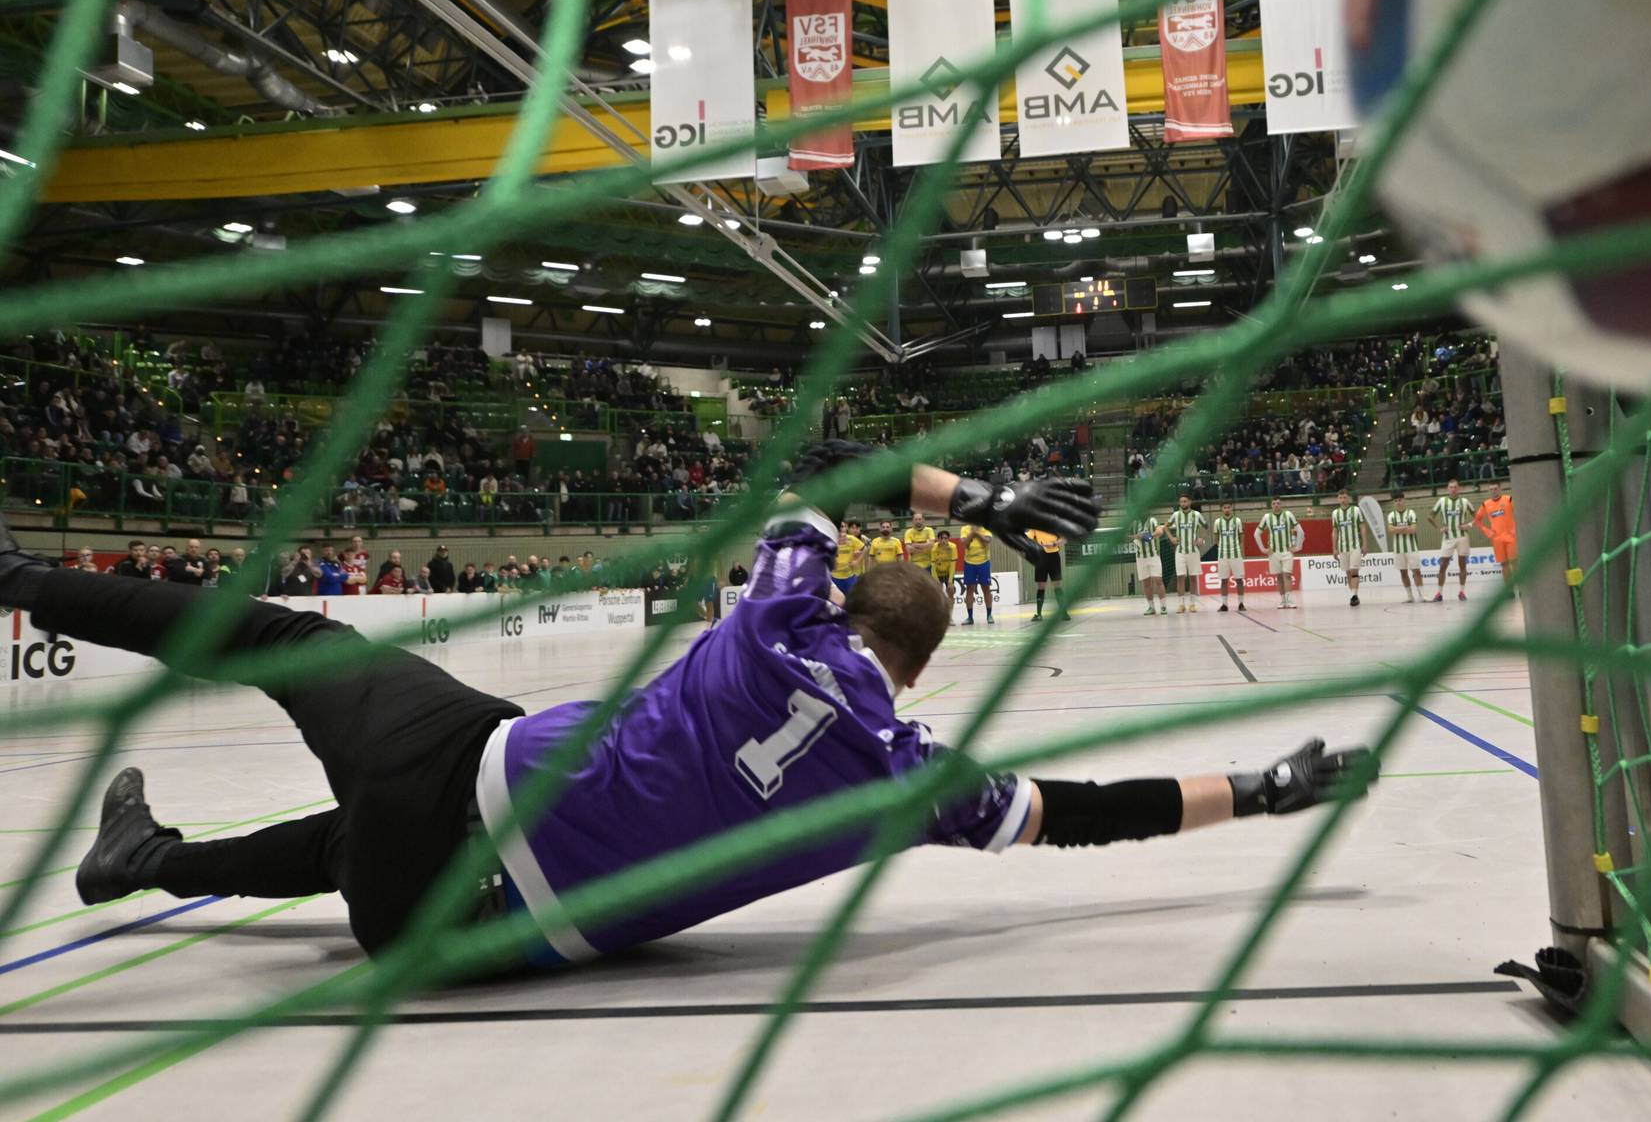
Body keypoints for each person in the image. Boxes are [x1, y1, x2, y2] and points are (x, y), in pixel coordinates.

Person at [12, 445, 1375, 970]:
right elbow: (1089, 814)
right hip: (453, 938)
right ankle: (154, 863)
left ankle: (20, 577)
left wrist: (978, 499)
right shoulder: (916, 776)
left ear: (844, 604)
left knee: (284, 637)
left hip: (459, 785)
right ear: (918, 671)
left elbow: (825, 461)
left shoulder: (781, 610)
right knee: (343, 847)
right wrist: (1255, 791)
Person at [1253, 498, 1303, 611]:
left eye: (1278, 503)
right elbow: (1256, 534)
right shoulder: (1267, 517)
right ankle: (1282, 600)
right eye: (1274, 503)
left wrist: (1298, 547)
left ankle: (1290, 600)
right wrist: (1263, 549)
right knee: (1279, 577)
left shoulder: (1288, 515)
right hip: (1273, 553)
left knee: (1287, 575)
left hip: (1287, 551)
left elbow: (1300, 531)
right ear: (1271, 505)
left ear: (1281, 504)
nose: (1276, 505)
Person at [1431, 478, 1472, 603]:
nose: (1453, 489)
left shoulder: (1465, 501)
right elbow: (1430, 516)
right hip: (1448, 538)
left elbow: (1478, 516)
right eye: (1451, 487)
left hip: (1462, 537)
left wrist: (1469, 525)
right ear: (1447, 489)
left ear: (1459, 488)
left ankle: (1462, 592)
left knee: (1462, 565)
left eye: (1455, 487)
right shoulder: (1442, 501)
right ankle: (1439, 593)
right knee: (1443, 565)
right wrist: (1439, 528)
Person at [1165, 494, 1206, 614]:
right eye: (1181, 502)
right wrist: (1171, 538)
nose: (1183, 503)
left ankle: (1192, 604)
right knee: (1180, 577)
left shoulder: (1196, 515)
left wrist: (1201, 539)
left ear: (1190, 502)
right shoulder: (1176, 515)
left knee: (1193, 578)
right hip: (1180, 551)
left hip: (1193, 551)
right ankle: (1181, 604)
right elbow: (1165, 527)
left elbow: (1206, 527)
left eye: (1185, 501)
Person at [1330, 489, 1366, 608]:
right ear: (1338, 499)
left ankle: (1354, 595)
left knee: (1354, 570)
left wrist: (1364, 544)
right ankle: (1353, 595)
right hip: (1342, 547)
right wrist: (1334, 548)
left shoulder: (1355, 510)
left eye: (1345, 497)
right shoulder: (1335, 513)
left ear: (1349, 498)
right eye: (1341, 497)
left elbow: (1362, 527)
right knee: (1348, 572)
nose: (1343, 499)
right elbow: (1335, 531)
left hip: (1355, 546)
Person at [958, 520, 995, 625]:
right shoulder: (964, 529)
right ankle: (970, 617)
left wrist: (977, 533)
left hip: (984, 562)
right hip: (969, 563)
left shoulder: (986, 528)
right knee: (969, 589)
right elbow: (965, 544)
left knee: (986, 588)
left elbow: (986, 542)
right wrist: (972, 533)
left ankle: (989, 615)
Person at [1474, 479, 1516, 574]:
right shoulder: (1485, 504)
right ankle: (1509, 588)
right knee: (1504, 565)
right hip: (1497, 539)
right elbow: (1477, 520)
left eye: (1495, 489)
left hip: (1510, 537)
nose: (1493, 491)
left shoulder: (1509, 499)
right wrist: (1486, 531)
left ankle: (1521, 587)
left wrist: (1515, 528)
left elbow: (1520, 513)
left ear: (1500, 489)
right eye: (1491, 489)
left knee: (1514, 562)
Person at [1387, 501, 1423, 604]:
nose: (1398, 502)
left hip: (1412, 547)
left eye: (1400, 500)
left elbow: (1413, 530)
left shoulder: (1411, 513)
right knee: (1403, 572)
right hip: (1398, 549)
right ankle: (1410, 596)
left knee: (1416, 571)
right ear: (1394, 502)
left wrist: (1396, 529)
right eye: (1396, 500)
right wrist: (1404, 528)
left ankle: (1422, 595)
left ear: (1404, 500)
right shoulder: (1391, 515)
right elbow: (1390, 530)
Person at [1028, 527, 1065, 623]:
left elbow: (1064, 539)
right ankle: (1039, 614)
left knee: (1057, 584)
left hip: (1054, 556)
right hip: (1040, 556)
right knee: (1041, 585)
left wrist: (1053, 544)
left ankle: (1064, 612)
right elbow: (1028, 539)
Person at [1133, 514, 1167, 616]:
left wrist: (1149, 536)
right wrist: (1135, 537)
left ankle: (1163, 606)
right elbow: (1127, 536)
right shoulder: (1134, 523)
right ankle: (1151, 607)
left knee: (1158, 580)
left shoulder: (1152, 520)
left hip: (1153, 556)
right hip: (1140, 557)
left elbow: (1160, 531)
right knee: (1146, 583)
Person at [831, 519, 867, 596]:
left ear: (846, 528)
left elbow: (865, 548)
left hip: (849, 576)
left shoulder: (851, 539)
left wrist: (857, 561)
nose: (841, 528)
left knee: (852, 599)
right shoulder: (831, 539)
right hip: (834, 577)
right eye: (838, 527)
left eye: (842, 526)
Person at [931, 529, 959, 615]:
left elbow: (952, 565)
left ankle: (949, 616)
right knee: (937, 594)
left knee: (950, 591)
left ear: (948, 539)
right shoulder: (933, 548)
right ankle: (939, 615)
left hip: (948, 573)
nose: (943, 540)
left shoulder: (953, 547)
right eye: (941, 538)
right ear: (938, 539)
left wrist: (950, 581)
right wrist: (936, 580)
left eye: (946, 538)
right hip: (937, 573)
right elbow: (933, 566)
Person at [902, 511, 936, 578]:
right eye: (916, 519)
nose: (918, 521)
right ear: (913, 521)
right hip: (914, 565)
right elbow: (908, 549)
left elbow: (931, 545)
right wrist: (925, 546)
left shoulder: (929, 530)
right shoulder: (908, 532)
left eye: (920, 519)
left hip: (928, 564)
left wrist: (914, 545)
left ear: (923, 520)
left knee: (927, 587)